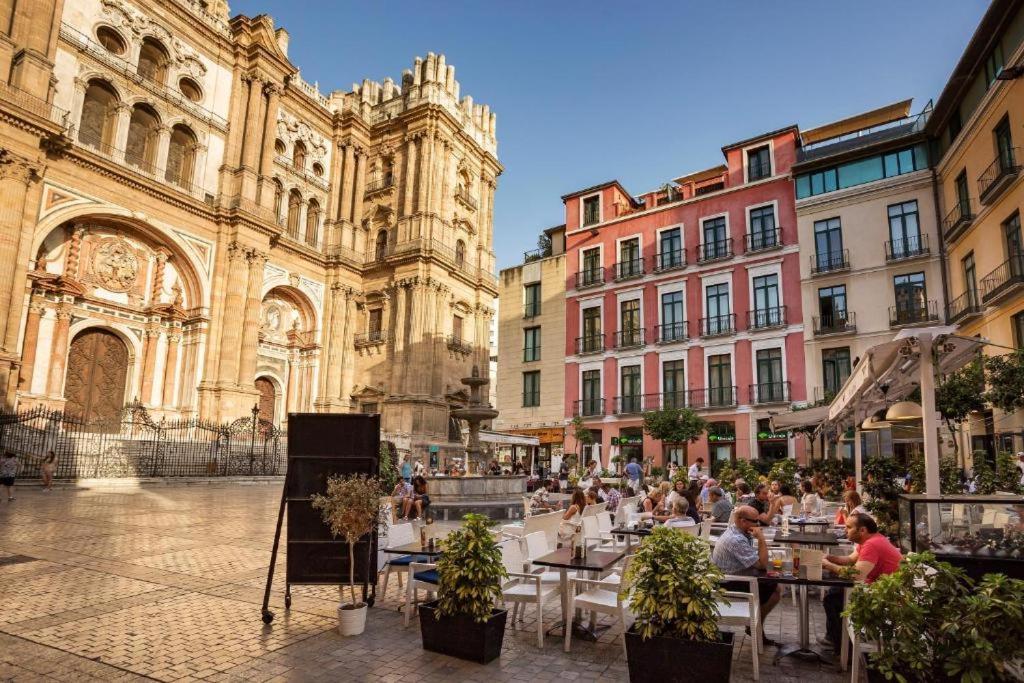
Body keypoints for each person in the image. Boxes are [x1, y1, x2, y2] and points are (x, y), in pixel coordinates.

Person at [820, 512, 902, 653]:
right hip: (880, 588)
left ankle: (843, 647)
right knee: (834, 592)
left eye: (848, 527)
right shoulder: (870, 540)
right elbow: (850, 559)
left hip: (886, 596)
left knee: (832, 598)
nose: (845, 530)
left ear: (862, 530)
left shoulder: (872, 545)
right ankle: (834, 639)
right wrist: (828, 557)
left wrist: (827, 565)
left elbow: (856, 575)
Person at [711, 505, 781, 646]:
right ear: (743, 521)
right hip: (726, 585)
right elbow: (762, 563)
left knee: (775, 586)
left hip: (736, 577)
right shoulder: (736, 539)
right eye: (755, 521)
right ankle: (755, 627)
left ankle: (755, 626)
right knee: (775, 589)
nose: (758, 524)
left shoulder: (738, 531)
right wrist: (761, 538)